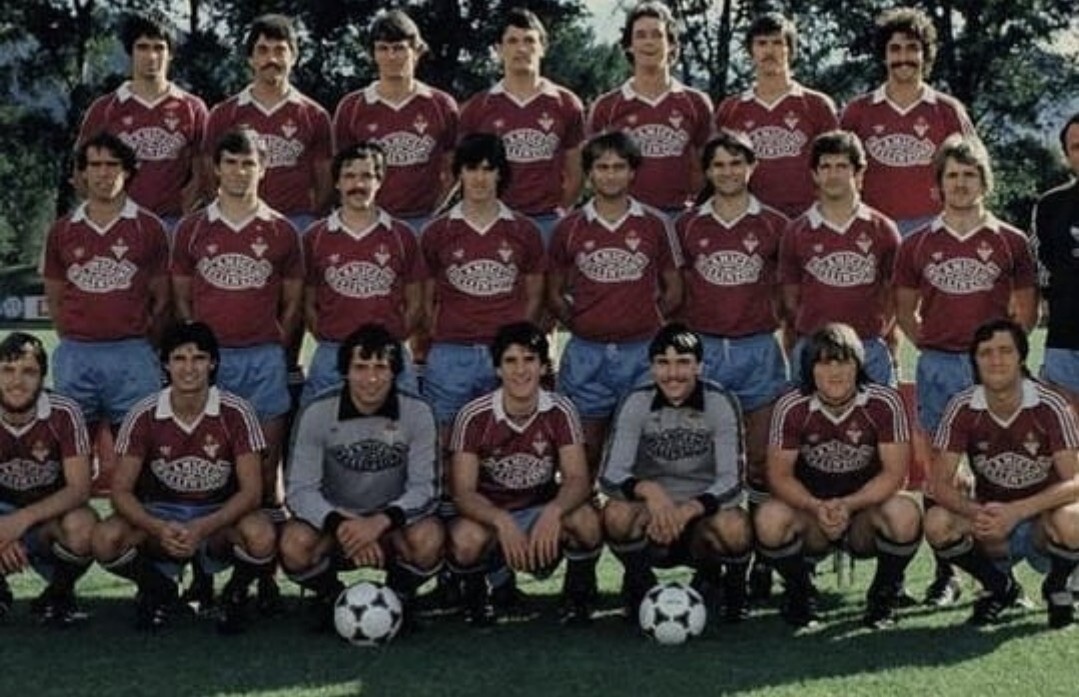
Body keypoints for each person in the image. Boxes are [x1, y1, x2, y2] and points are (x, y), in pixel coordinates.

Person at [895, 134, 1037, 604]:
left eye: (969, 175)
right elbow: (904, 312)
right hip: (939, 365)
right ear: (938, 184)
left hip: (993, 369)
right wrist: (935, 347)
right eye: (952, 175)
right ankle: (946, 574)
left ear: (984, 181)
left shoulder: (1010, 241)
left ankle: (999, 575)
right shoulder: (916, 243)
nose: (960, 183)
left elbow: (1026, 311)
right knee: (941, 471)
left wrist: (999, 357)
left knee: (998, 466)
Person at [172, 127, 303, 609]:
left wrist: (276, 349)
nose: (239, 171)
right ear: (216, 167)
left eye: (249, 163)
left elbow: (293, 304)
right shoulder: (192, 229)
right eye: (231, 162)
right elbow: (182, 299)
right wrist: (199, 355)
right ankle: (203, 573)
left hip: (263, 360)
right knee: (211, 468)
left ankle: (262, 574)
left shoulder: (282, 230)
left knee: (266, 470)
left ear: (263, 168)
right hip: (213, 363)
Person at [91, 322, 275, 634]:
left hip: (218, 516)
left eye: (199, 358)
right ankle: (158, 589)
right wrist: (158, 528)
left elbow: (252, 492)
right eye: (179, 358)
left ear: (213, 363)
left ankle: (235, 593)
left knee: (262, 535)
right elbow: (120, 492)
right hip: (161, 513)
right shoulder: (143, 414)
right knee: (105, 538)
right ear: (165, 364)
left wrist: (202, 526)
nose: (189, 368)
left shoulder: (237, 412)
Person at [675, 131, 789, 600]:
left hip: (758, 348)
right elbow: (676, 292)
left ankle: (763, 559)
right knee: (705, 464)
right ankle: (713, 560)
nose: (727, 172)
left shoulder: (775, 224)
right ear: (707, 171)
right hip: (705, 350)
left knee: (761, 462)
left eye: (736, 163)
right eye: (718, 164)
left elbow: (787, 291)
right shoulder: (686, 225)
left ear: (751, 167)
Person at [756, 323, 921, 629]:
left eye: (843, 361)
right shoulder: (791, 406)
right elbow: (778, 476)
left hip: (864, 516)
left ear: (859, 364)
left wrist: (849, 504)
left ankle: (883, 597)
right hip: (812, 516)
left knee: (905, 511)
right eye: (823, 362)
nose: (834, 371)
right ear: (809, 368)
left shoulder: (884, 402)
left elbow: (895, 474)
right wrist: (816, 506)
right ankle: (800, 593)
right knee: (769, 517)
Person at [280, 324, 442, 632]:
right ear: (345, 372)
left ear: (395, 372)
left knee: (429, 539)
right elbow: (299, 490)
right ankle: (332, 598)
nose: (371, 378)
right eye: (361, 367)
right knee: (293, 544)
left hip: (392, 526)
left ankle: (399, 596)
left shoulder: (418, 412)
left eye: (381, 367)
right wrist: (342, 525)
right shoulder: (317, 412)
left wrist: (379, 522)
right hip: (336, 525)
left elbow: (426, 489)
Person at [925, 319, 1079, 628]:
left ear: (1021, 357)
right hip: (991, 523)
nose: (996, 360)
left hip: (1043, 525)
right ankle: (999, 587)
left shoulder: (1050, 405)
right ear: (974, 361)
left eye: (1006, 351)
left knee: (1074, 517)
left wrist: (1018, 511)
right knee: (937, 521)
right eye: (986, 353)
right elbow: (939, 484)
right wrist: (978, 512)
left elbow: (1075, 481)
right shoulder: (962, 406)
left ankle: (1058, 585)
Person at [448, 322, 601, 626]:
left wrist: (553, 512)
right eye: (510, 361)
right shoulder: (474, 415)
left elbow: (577, 479)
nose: (520, 370)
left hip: (539, 512)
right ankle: (481, 598)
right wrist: (501, 520)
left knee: (585, 520)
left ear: (544, 366)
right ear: (497, 369)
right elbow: (463, 493)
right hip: (493, 517)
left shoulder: (561, 410)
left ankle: (576, 598)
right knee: (465, 538)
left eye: (529, 359)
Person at [548, 131, 683, 474]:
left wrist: (645, 317)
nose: (610, 175)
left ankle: (636, 508)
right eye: (602, 167)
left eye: (619, 167)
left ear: (632, 171)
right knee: (585, 452)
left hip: (641, 353)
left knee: (645, 455)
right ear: (589, 173)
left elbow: (674, 290)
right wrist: (581, 321)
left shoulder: (655, 223)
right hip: (587, 354)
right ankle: (585, 506)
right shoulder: (569, 227)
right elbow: (554, 292)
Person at [600, 324, 751, 622]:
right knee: (616, 514)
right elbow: (611, 473)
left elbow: (733, 481)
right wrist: (650, 492)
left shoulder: (721, 401)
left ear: (699, 366)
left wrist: (689, 509)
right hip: (652, 517)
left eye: (683, 362)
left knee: (735, 526)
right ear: (651, 367)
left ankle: (727, 589)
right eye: (663, 363)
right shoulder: (635, 400)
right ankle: (639, 582)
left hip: (702, 516)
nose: (672, 373)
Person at [42, 132, 171, 442]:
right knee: (72, 448)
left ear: (127, 171)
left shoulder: (149, 227)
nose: (103, 173)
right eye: (95, 165)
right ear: (83, 172)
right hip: (76, 353)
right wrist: (76, 338)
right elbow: (56, 300)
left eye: (112, 164)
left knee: (139, 448)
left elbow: (162, 300)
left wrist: (143, 344)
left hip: (133, 353)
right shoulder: (62, 231)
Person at [420, 133, 546, 440]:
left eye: (488, 169)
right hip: (451, 353)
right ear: (459, 173)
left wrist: (515, 341)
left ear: (500, 174)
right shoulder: (436, 232)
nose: (479, 178)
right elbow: (424, 297)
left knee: (506, 440)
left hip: (504, 354)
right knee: (444, 439)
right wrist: (439, 334)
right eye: (472, 168)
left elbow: (535, 295)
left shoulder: (524, 230)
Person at [300, 142, 426, 405]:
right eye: (349, 176)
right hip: (332, 354)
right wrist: (328, 335)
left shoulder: (402, 235)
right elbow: (308, 302)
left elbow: (416, 301)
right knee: (318, 424)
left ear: (379, 180)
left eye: (367, 176)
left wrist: (393, 339)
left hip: (388, 353)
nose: (358, 184)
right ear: (337, 182)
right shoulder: (315, 237)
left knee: (405, 425)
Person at [840, 6, 978, 236]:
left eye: (912, 48)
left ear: (926, 54)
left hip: (935, 229)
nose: (903, 58)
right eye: (895, 49)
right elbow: (835, 175)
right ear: (884, 55)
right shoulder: (857, 112)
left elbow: (975, 174)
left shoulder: (948, 111)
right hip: (872, 230)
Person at [779, 130, 901, 386]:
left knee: (877, 412)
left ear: (858, 173)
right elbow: (790, 298)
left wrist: (878, 331)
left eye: (842, 166)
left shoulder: (883, 229)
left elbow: (895, 295)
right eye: (825, 167)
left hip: (869, 348)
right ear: (814, 174)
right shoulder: (796, 230)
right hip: (813, 348)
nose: (833, 175)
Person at [458, 7, 585, 243]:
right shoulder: (478, 107)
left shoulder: (567, 104)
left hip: (548, 222)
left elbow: (576, 174)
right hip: (495, 222)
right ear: (499, 50)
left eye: (529, 40)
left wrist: (558, 211)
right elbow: (465, 173)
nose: (521, 48)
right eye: (512, 41)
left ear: (543, 48)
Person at [202, 13, 332, 233]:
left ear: (294, 57)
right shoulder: (224, 114)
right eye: (262, 50)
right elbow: (208, 173)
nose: (271, 59)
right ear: (250, 58)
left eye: (280, 50)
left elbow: (325, 182)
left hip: (297, 221)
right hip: (239, 221)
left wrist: (310, 217)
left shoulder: (315, 115)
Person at [76, 11, 207, 229]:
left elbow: (204, 171)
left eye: (159, 48)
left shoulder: (193, 109)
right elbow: (81, 172)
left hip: (171, 223)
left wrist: (185, 212)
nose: (151, 56)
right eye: (143, 47)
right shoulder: (104, 110)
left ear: (171, 53)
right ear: (131, 52)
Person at [0, 333, 97, 627]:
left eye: (28, 372)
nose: (17, 381)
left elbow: (79, 488)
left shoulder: (64, 412)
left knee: (83, 526)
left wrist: (20, 521)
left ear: (43, 378)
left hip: (46, 518)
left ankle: (58, 594)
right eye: (7, 370)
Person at [332, 9, 458, 232]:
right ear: (373, 54)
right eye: (383, 48)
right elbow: (341, 174)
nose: (391, 56)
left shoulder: (441, 105)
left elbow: (453, 169)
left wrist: (435, 214)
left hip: (424, 221)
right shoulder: (352, 107)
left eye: (399, 48)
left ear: (416, 52)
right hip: (370, 222)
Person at [587, 1, 712, 215]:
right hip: (624, 217)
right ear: (629, 45)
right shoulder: (607, 106)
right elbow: (592, 169)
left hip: (679, 215)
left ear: (671, 44)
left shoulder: (696, 103)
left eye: (657, 35)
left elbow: (709, 167)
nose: (649, 42)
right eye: (640, 35)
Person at [713, 12, 838, 219]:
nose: (769, 50)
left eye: (777, 43)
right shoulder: (731, 109)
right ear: (751, 51)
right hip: (750, 219)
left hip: (807, 218)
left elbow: (837, 167)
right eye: (762, 43)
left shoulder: (817, 105)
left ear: (790, 50)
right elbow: (717, 171)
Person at [1031, 112, 1079, 411]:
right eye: (1076, 147)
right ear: (1066, 155)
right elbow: (1040, 270)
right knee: (1067, 433)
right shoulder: (1050, 206)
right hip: (1065, 343)